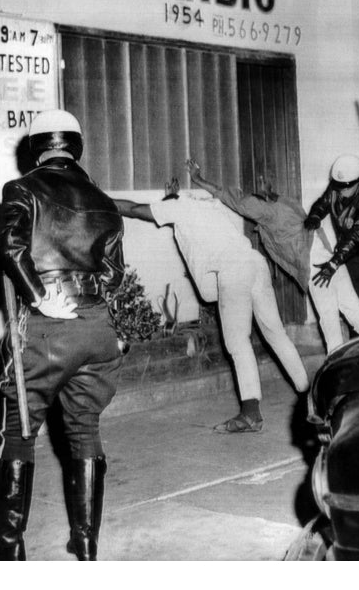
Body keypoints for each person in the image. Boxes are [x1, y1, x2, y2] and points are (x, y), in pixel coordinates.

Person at [0, 110, 125, 561]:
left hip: (46, 328)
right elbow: (114, 275)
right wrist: (84, 300)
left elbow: (8, 245)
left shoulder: (22, 189)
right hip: (96, 327)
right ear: (75, 147)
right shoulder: (104, 200)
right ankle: (86, 543)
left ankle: (7, 547)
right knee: (84, 429)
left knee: (18, 433)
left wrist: (39, 296)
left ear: (37, 147)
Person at [116, 180, 310, 434]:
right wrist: (172, 195)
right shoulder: (206, 207)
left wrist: (98, 197)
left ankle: (251, 414)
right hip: (255, 263)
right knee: (276, 335)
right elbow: (177, 207)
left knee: (238, 344)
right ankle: (311, 397)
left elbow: (132, 209)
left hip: (233, 271)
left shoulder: (176, 209)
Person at [186, 159, 359, 353]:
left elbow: (231, 199)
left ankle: (336, 371)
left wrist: (199, 179)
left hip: (318, 268)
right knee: (357, 315)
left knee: (330, 324)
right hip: (331, 259)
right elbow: (317, 204)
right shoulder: (283, 204)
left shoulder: (265, 211)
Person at [303, 155, 359, 328]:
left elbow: (356, 237)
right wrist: (315, 216)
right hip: (350, 261)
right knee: (358, 314)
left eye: (345, 188)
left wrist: (332, 264)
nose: (340, 192)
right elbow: (322, 204)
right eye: (337, 187)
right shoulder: (336, 188)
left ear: (358, 183)